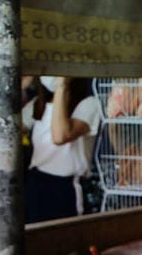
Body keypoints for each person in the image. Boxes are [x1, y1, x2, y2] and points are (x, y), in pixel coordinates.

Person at [21, 75, 103, 222]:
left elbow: (60, 136)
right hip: (36, 183)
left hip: (66, 188)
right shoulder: (38, 104)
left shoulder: (89, 104)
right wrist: (20, 86)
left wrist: (62, 86)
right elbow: (6, 128)